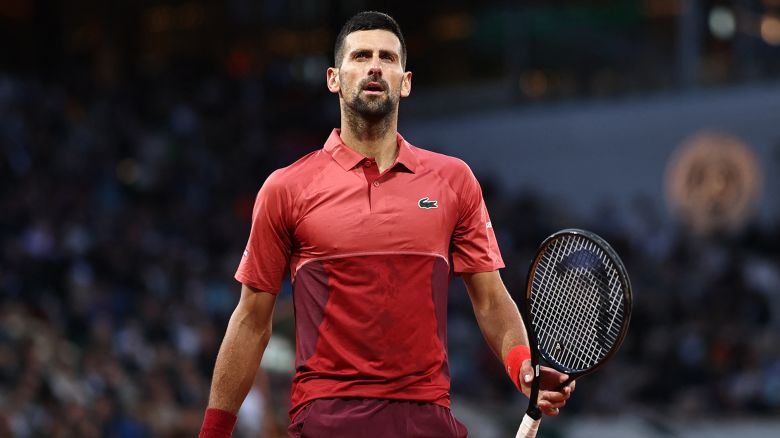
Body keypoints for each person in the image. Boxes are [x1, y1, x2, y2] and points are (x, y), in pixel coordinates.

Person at [199, 11, 574, 438]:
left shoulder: (454, 180)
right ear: (334, 78)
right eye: (360, 56)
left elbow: (490, 299)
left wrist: (522, 367)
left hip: (426, 418)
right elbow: (251, 321)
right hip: (327, 420)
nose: (374, 65)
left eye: (387, 57)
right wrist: (213, 433)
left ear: (406, 81)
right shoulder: (287, 188)